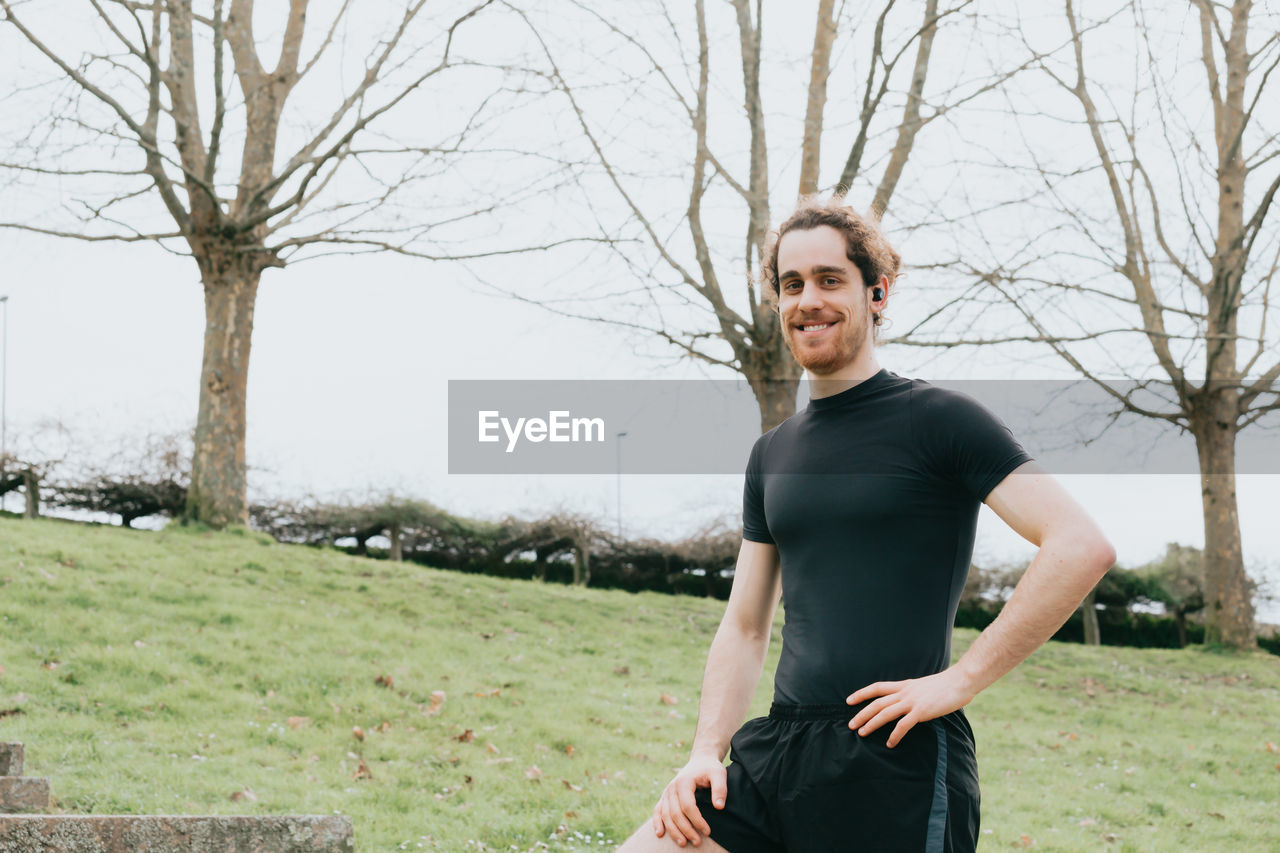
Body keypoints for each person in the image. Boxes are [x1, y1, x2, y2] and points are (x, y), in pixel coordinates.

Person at [615, 197, 1116, 853]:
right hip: (778, 756)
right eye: (791, 284)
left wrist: (959, 680)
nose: (807, 299)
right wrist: (705, 751)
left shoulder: (939, 420)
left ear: (877, 293)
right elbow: (745, 624)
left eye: (829, 279)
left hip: (897, 762)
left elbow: (1080, 545)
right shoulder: (772, 453)